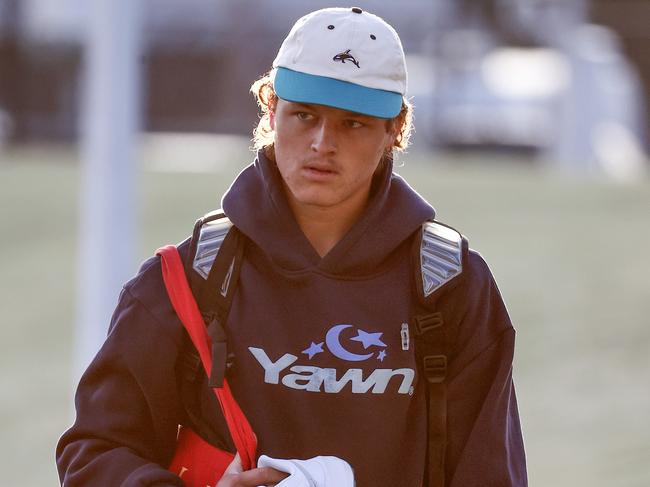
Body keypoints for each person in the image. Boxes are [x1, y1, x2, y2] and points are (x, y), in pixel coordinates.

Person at [57, 7, 527, 487]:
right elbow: (95, 452)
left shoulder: (453, 286)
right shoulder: (190, 277)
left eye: (354, 123)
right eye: (304, 115)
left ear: (394, 129)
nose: (323, 143)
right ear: (271, 109)